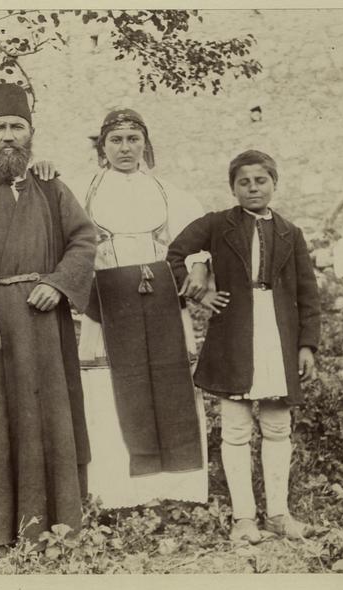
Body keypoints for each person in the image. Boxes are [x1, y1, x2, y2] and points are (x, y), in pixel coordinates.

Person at [0, 83, 97, 546]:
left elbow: (84, 241)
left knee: (47, 415)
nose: (8, 136)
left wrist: (57, 283)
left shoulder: (52, 189)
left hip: (45, 324)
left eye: (17, 126)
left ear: (31, 134)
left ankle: (53, 525)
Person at [167, 150, 321, 543]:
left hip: (279, 334)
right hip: (235, 332)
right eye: (244, 182)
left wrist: (307, 345)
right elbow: (176, 253)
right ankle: (243, 518)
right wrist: (199, 289)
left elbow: (308, 293)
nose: (253, 188)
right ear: (233, 187)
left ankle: (279, 514)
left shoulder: (291, 232)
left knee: (276, 426)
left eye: (261, 181)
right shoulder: (218, 224)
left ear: (274, 183)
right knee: (235, 429)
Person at [77, 108, 224, 509]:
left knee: (170, 383)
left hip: (163, 302)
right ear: (103, 147)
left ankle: (179, 490)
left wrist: (196, 264)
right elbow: (68, 246)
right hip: (106, 307)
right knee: (111, 391)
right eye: (116, 140)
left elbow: (198, 240)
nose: (125, 148)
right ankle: (118, 493)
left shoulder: (169, 193)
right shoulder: (81, 193)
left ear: (145, 144)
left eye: (133, 139)